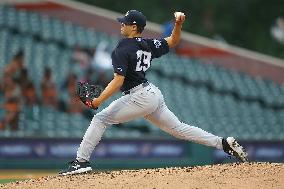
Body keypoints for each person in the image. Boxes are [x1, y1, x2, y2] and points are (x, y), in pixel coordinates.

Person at [59, 10, 248, 175]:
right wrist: (178, 24)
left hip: (139, 96)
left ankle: (81, 162)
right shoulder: (148, 44)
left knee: (100, 119)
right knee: (178, 129)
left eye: (124, 22)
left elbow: (118, 80)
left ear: (134, 27)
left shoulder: (122, 47)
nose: (121, 25)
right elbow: (173, 40)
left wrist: (98, 100)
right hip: (151, 94)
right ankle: (223, 143)